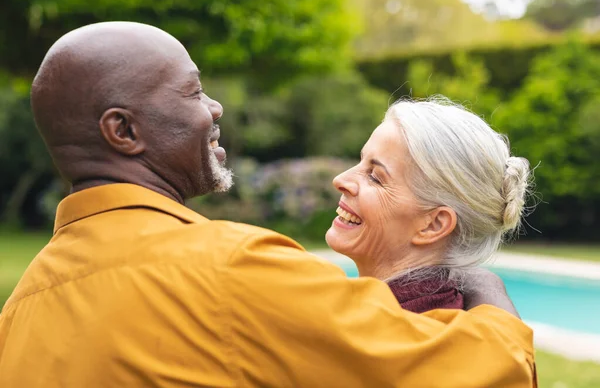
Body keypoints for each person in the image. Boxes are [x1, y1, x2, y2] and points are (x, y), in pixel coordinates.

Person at [0, 22, 536, 387]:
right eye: (191, 93)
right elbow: (484, 371)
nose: (215, 108)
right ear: (123, 131)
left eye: (375, 172)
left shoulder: (19, 312)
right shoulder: (227, 271)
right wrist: (489, 289)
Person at [326, 98, 531, 314]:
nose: (341, 180)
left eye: (376, 177)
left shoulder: (391, 334)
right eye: (360, 161)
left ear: (433, 224)